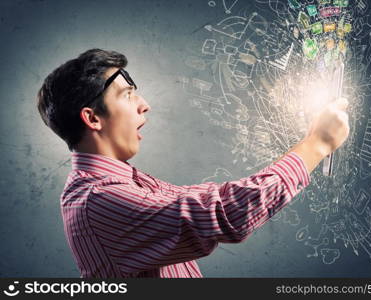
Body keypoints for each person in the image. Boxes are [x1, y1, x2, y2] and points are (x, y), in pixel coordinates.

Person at [37, 48, 349, 278]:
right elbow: (222, 214)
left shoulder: (127, 184)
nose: (145, 106)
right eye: (128, 95)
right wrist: (316, 145)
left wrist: (309, 140)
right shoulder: (98, 201)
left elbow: (209, 201)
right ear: (92, 118)